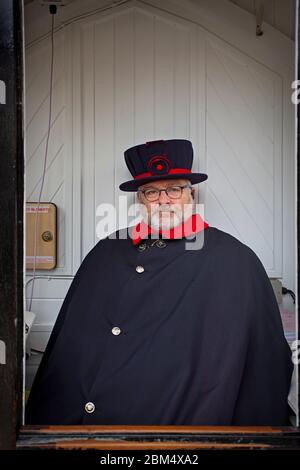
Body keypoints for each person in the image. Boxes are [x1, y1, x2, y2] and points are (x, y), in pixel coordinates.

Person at [26, 139, 293, 425]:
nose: (163, 200)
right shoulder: (106, 251)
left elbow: (263, 364)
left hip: (180, 427)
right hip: (92, 427)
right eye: (151, 192)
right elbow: (70, 346)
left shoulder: (235, 259)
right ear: (140, 199)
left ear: (192, 194)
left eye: (174, 189)